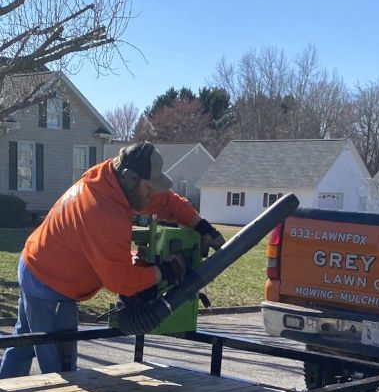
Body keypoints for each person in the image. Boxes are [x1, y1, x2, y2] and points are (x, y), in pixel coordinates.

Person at [0, 141, 224, 377]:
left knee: (23, 343)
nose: (152, 194)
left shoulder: (115, 183)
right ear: (130, 178)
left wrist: (202, 226)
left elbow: (167, 201)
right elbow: (121, 282)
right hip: (50, 285)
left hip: (34, 263)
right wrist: (166, 271)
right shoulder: (102, 209)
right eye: (149, 187)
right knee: (59, 369)